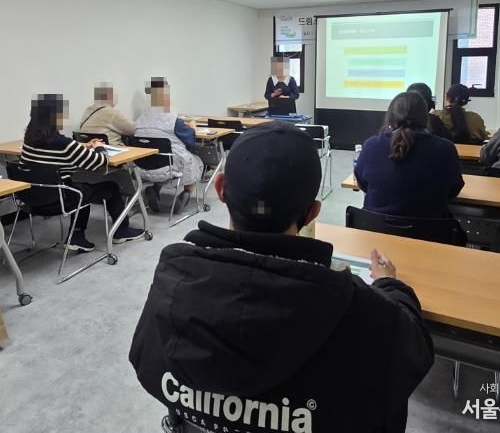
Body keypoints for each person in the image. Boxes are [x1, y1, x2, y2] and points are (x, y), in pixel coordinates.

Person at [129, 121, 433, 433]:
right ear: (312, 213)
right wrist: (389, 284)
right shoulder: (355, 306)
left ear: (220, 189)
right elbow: (414, 354)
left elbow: (146, 363)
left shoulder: (173, 279)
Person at [19, 94, 144, 250]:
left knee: (80, 187)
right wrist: (99, 147)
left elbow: (64, 150)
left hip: (31, 199)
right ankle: (121, 231)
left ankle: (77, 236)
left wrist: (84, 145)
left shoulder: (29, 141)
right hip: (59, 200)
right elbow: (100, 161)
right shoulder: (63, 144)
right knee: (110, 187)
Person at [355, 92, 465, 219]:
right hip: (430, 229)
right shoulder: (445, 149)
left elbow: (363, 184)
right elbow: (454, 189)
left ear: (390, 116)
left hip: (373, 227)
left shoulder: (372, 145)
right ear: (425, 118)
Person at [134, 77, 203, 214]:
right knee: (194, 161)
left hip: (143, 167)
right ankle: (187, 192)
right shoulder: (173, 120)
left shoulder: (139, 119)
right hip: (169, 167)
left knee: (160, 156)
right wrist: (192, 127)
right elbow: (190, 142)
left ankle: (154, 189)